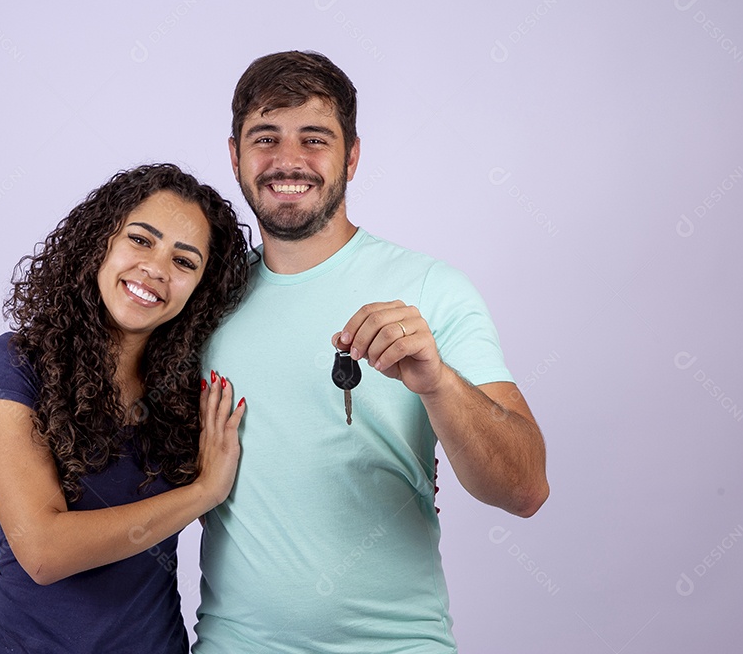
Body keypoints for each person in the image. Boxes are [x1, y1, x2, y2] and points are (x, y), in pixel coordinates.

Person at [193, 51, 550, 653]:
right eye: (265, 137)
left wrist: (439, 384)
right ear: (234, 156)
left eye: (315, 139)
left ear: (352, 156)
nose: (288, 161)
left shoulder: (432, 290)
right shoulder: (202, 303)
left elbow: (525, 489)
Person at [0, 163, 250, 653]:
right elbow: (42, 552)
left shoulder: (192, 392)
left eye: (185, 262)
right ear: (101, 240)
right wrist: (204, 492)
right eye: (141, 240)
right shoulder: (15, 363)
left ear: (200, 290)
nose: (157, 269)